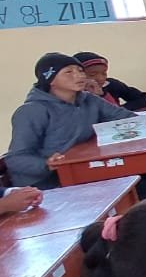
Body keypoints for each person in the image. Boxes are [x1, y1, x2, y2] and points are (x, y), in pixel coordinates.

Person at [6, 53, 136, 189]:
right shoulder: (32, 111)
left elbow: (127, 118)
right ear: (50, 80)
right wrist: (47, 164)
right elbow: (16, 158)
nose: (80, 76)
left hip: (83, 170)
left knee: (138, 176)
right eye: (69, 72)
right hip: (45, 184)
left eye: (80, 70)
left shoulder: (89, 100)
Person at [72, 52, 146, 110]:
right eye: (92, 75)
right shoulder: (71, 93)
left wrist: (120, 109)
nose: (100, 78)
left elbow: (144, 98)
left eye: (104, 73)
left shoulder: (111, 85)